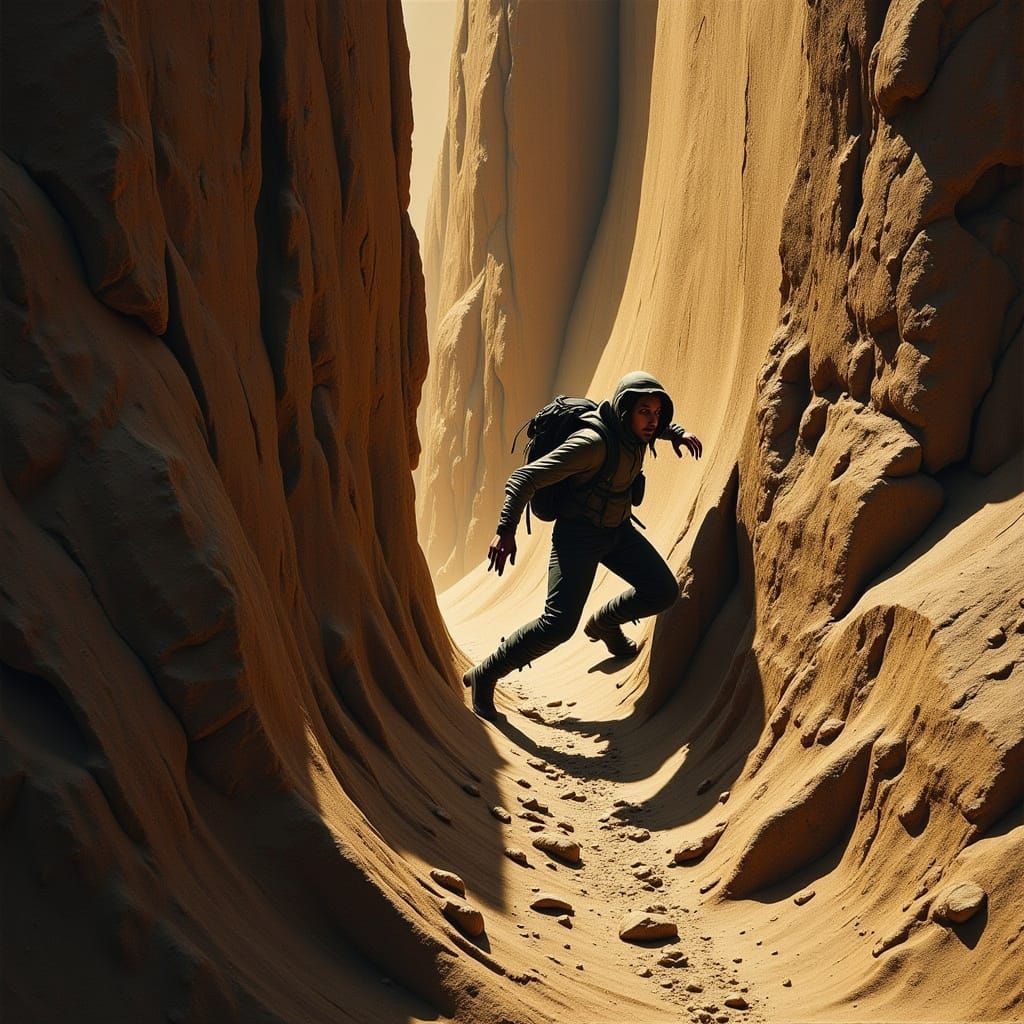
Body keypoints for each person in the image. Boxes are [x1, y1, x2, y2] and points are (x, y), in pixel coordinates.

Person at [464, 370, 703, 718]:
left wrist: (677, 432)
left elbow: (654, 428)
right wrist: (505, 529)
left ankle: (605, 623)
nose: (652, 421)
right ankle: (485, 674)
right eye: (644, 411)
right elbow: (525, 477)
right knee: (558, 624)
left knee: (663, 591)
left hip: (618, 533)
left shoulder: (636, 431)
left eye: (657, 413)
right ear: (625, 411)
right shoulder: (592, 444)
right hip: (577, 538)